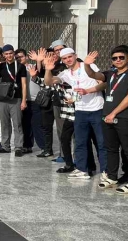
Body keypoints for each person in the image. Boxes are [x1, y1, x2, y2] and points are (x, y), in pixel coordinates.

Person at [45, 49, 107, 180]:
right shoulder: (66, 73)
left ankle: (106, 171)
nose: (68, 59)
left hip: (97, 109)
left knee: (101, 143)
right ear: (62, 60)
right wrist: (48, 69)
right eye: (65, 58)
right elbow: (49, 82)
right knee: (80, 142)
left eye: (70, 56)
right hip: (80, 111)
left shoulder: (89, 66)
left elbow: (103, 84)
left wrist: (87, 91)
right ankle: (81, 169)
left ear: (75, 56)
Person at [93, 46, 128, 191]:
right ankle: (112, 176)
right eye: (115, 58)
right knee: (111, 148)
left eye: (121, 57)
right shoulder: (111, 73)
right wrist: (87, 65)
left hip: (124, 118)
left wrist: (113, 113)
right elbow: (94, 76)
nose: (118, 60)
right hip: (107, 117)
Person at [0, 44, 27, 156]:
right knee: (4, 123)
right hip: (3, 98)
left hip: (16, 98)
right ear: (3, 55)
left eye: (10, 53)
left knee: (17, 123)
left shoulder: (20, 66)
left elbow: (24, 84)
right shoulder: (1, 66)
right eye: (6, 54)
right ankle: (5, 146)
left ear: (14, 53)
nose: (9, 56)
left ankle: (18, 147)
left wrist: (24, 100)